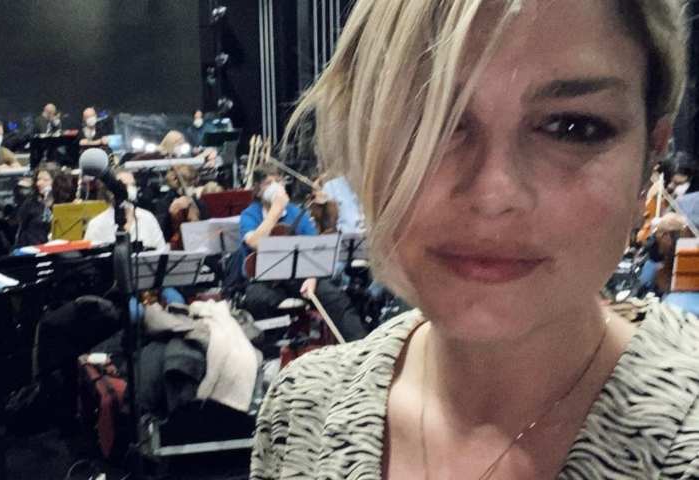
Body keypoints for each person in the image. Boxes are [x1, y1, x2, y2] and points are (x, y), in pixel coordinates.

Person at [251, 1, 699, 479]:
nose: (492, 194)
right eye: (428, 119)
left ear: (649, 157)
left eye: (572, 127)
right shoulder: (302, 411)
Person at [238, 165, 367, 341]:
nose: (275, 187)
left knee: (335, 297)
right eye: (268, 183)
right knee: (256, 300)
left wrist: (312, 278)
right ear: (258, 189)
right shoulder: (249, 215)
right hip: (265, 281)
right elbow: (254, 242)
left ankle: (358, 343)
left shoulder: (296, 212)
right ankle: (272, 347)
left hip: (300, 277)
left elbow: (316, 248)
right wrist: (275, 211)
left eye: (278, 181)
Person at [85, 170, 166, 251]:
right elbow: (90, 255)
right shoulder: (97, 224)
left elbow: (162, 251)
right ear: (110, 191)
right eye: (125, 185)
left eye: (133, 185)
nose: (131, 188)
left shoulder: (147, 218)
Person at [15, 166, 56, 246]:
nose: (39, 183)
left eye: (45, 180)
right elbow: (21, 223)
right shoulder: (31, 203)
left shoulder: (61, 201)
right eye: (38, 179)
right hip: (34, 245)